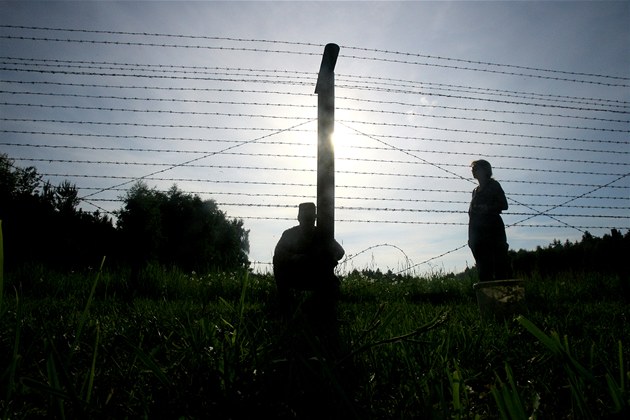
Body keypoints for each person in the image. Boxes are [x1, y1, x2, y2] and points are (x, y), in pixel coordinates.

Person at [273, 202, 345, 315]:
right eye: (305, 218)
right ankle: (285, 304)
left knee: (332, 287)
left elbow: (340, 252)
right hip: (294, 275)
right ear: (299, 218)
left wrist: (328, 259)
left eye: (310, 219)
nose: (308, 222)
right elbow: (278, 255)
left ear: (315, 219)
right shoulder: (289, 234)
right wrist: (295, 258)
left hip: (316, 276)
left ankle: (319, 308)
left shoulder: (322, 234)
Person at [468, 160, 511, 282]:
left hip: (493, 231)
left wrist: (487, 208)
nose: (473, 171)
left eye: (476, 168)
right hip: (478, 234)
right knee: (483, 268)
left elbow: (504, 204)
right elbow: (472, 215)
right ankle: (488, 298)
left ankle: (503, 296)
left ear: (485, 170)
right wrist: (471, 238)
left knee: (499, 265)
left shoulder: (493, 185)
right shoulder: (475, 191)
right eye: (472, 169)